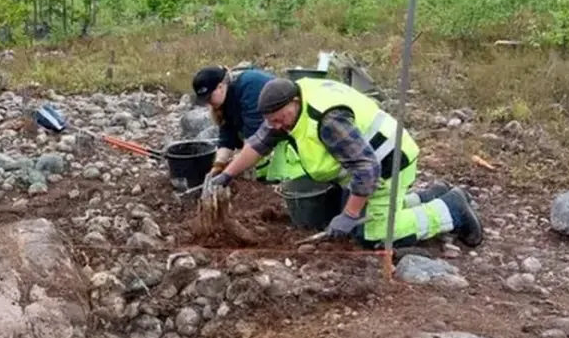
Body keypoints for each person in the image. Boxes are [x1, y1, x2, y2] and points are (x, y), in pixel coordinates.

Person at [206, 76, 483, 248]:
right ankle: (429, 195)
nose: (277, 125)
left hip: (387, 163)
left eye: (280, 118)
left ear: (294, 102)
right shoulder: (286, 110)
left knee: (372, 235)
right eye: (271, 120)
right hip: (366, 164)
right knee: (358, 217)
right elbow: (258, 143)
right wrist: (225, 175)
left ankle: (450, 210)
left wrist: (349, 215)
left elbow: (366, 169)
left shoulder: (328, 121)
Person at [191, 64, 296, 182]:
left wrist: (231, 170)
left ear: (220, 87)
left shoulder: (250, 86)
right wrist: (219, 165)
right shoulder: (224, 100)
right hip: (265, 137)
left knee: (263, 173)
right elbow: (227, 137)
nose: (208, 103)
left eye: (209, 98)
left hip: (285, 132)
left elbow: (254, 137)